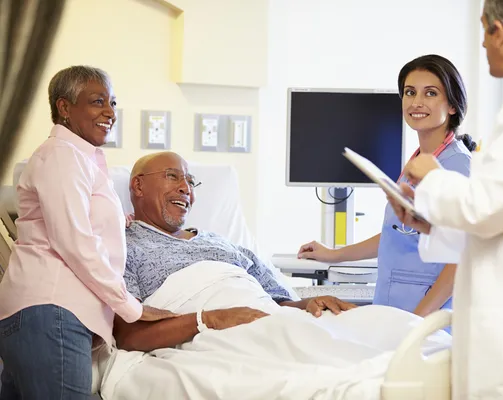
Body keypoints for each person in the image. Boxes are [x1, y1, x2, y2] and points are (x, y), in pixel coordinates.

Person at [388, 0, 503, 398]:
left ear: (498, 32)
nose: (483, 43)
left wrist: (432, 178)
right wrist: (431, 221)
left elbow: (484, 208)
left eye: (483, 29)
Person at [0, 66, 172, 399]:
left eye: (112, 103)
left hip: (42, 315)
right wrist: (131, 307)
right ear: (64, 108)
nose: (110, 112)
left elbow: (74, 221)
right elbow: (75, 242)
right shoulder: (62, 156)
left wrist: (118, 221)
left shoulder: (79, 159)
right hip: (52, 311)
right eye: (97, 102)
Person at [114, 152, 358, 351]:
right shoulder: (124, 246)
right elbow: (129, 336)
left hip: (270, 325)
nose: (185, 188)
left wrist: (309, 303)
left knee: (369, 332)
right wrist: (210, 319)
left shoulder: (225, 245)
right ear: (138, 185)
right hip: (215, 339)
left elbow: (277, 304)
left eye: (190, 181)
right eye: (172, 176)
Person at [297, 55, 476, 317]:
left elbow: (461, 258)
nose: (416, 102)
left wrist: (418, 320)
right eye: (409, 92)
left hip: (425, 317)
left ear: (451, 105)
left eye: (430, 93)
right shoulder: (417, 161)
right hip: (396, 306)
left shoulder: (456, 165)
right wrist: (334, 255)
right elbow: (397, 233)